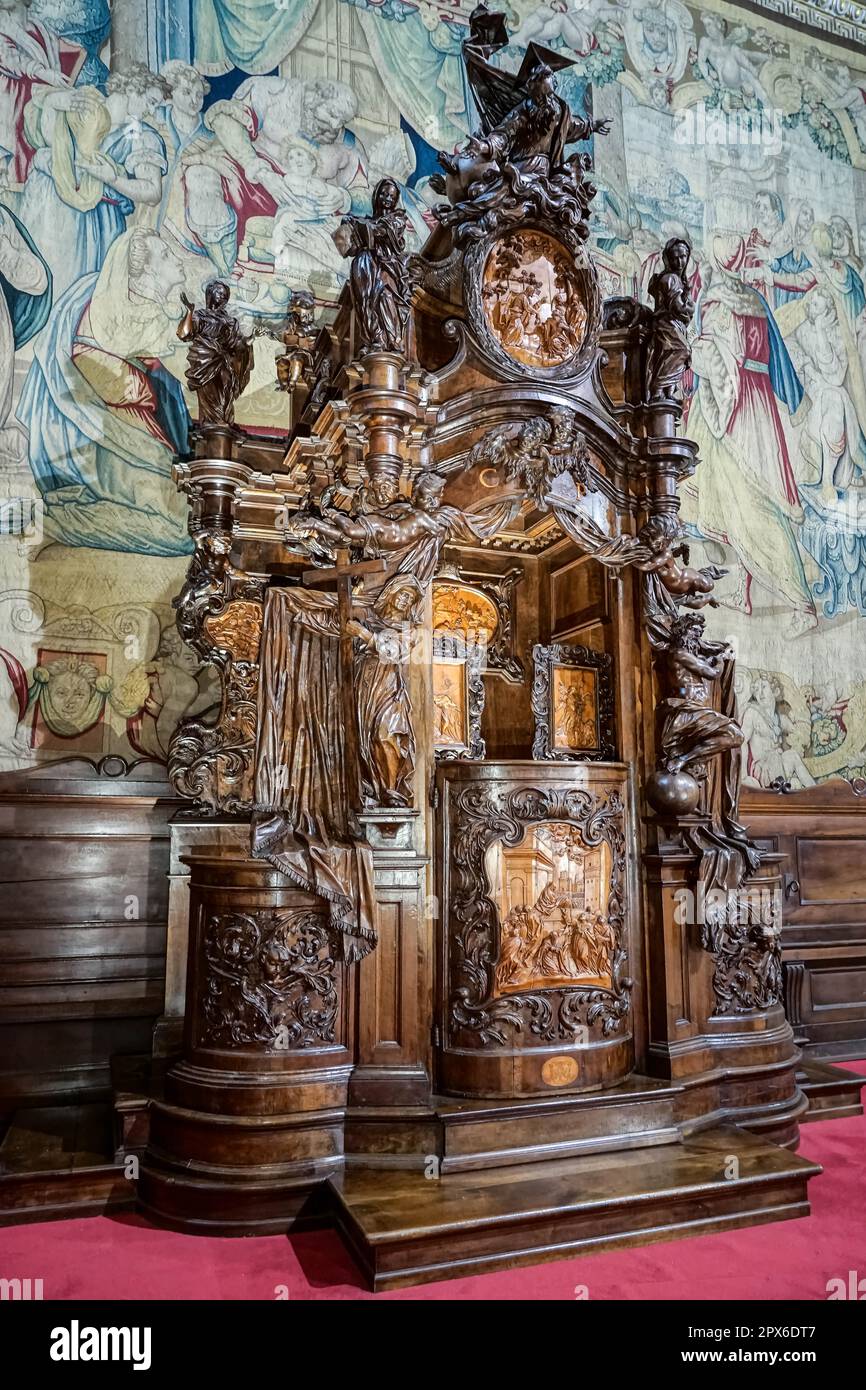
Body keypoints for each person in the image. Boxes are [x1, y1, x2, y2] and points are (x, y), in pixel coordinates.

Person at [19, 226, 191, 554]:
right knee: (180, 531)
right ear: (148, 271)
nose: (177, 259)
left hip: (140, 435)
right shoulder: (107, 312)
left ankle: (59, 517)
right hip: (118, 439)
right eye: (166, 255)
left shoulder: (149, 310)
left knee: (185, 519)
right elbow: (88, 364)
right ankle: (54, 524)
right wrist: (145, 384)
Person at [18, 63, 167, 295]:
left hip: (98, 223)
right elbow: (48, 140)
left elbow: (152, 192)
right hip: (51, 206)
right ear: (133, 88)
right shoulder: (85, 103)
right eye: (151, 102)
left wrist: (112, 179)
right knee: (43, 281)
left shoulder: (140, 135)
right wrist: (51, 104)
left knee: (82, 293)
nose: (151, 112)